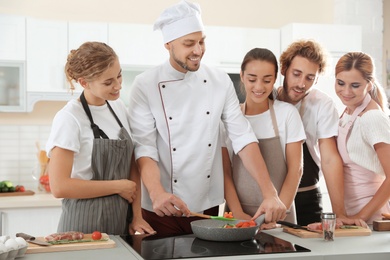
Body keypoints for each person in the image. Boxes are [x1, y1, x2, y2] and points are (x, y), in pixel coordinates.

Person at [128, 0, 286, 237]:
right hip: (160, 207)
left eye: (202, 41)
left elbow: (243, 137)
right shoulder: (145, 85)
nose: (198, 50)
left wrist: (269, 193)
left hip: (208, 207)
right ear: (168, 44)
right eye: (189, 43)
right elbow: (145, 149)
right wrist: (156, 192)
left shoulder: (219, 81)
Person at [46, 41, 155, 235]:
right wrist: (117, 186)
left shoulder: (118, 107)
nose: (118, 85)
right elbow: (59, 186)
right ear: (84, 82)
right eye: (108, 82)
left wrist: (137, 217)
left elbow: (131, 165)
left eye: (119, 75)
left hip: (120, 223)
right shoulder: (69, 118)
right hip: (82, 226)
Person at [221, 48, 305, 225]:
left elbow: (295, 170)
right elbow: (225, 171)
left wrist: (278, 213)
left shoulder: (287, 114)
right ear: (242, 76)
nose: (259, 87)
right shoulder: (229, 118)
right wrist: (237, 213)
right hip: (238, 215)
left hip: (280, 212)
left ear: (275, 79)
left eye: (267, 80)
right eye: (252, 79)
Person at [275, 39, 348, 226]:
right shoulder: (268, 98)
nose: (301, 84)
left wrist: (340, 213)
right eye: (296, 74)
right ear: (283, 69)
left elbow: (330, 159)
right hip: (271, 198)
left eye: (309, 78)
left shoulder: (322, 104)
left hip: (307, 198)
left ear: (317, 78)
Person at [335, 52, 390, 224]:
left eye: (355, 85)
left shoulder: (372, 118)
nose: (346, 91)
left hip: (371, 218)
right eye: (340, 83)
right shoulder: (347, 112)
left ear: (369, 84)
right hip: (350, 215)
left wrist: (361, 217)